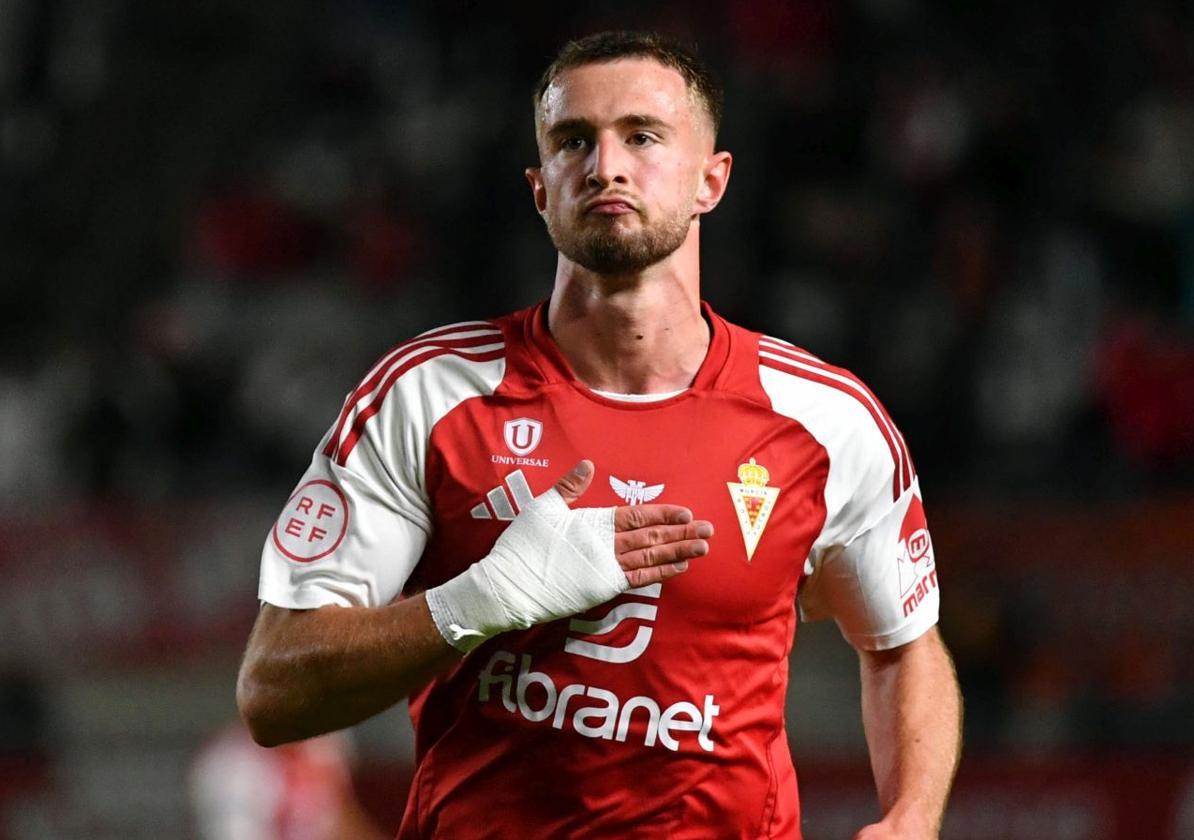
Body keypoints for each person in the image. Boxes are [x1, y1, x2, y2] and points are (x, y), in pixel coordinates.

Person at [237, 30, 962, 840]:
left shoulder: (826, 420)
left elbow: (901, 646)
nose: (605, 166)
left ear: (710, 181)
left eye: (643, 137)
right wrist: (481, 600)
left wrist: (912, 818)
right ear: (540, 187)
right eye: (573, 140)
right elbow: (273, 692)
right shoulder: (426, 395)